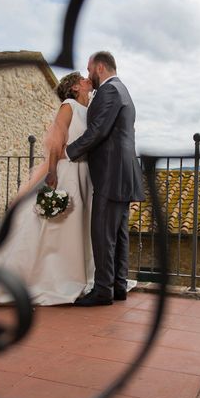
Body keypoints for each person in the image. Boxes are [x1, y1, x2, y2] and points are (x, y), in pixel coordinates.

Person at [0, 72, 95, 305]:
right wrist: (52, 173)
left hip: (85, 173)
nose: (87, 80)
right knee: (58, 224)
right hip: (68, 170)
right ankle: (46, 276)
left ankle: (75, 273)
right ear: (75, 88)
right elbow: (56, 143)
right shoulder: (68, 106)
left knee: (78, 225)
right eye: (83, 79)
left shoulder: (90, 109)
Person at [66, 51, 145, 306]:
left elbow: (98, 131)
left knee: (102, 233)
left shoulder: (111, 91)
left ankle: (102, 291)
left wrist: (69, 152)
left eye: (89, 69)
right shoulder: (123, 90)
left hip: (112, 172)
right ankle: (118, 286)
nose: (88, 74)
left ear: (99, 67)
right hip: (122, 171)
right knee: (119, 234)